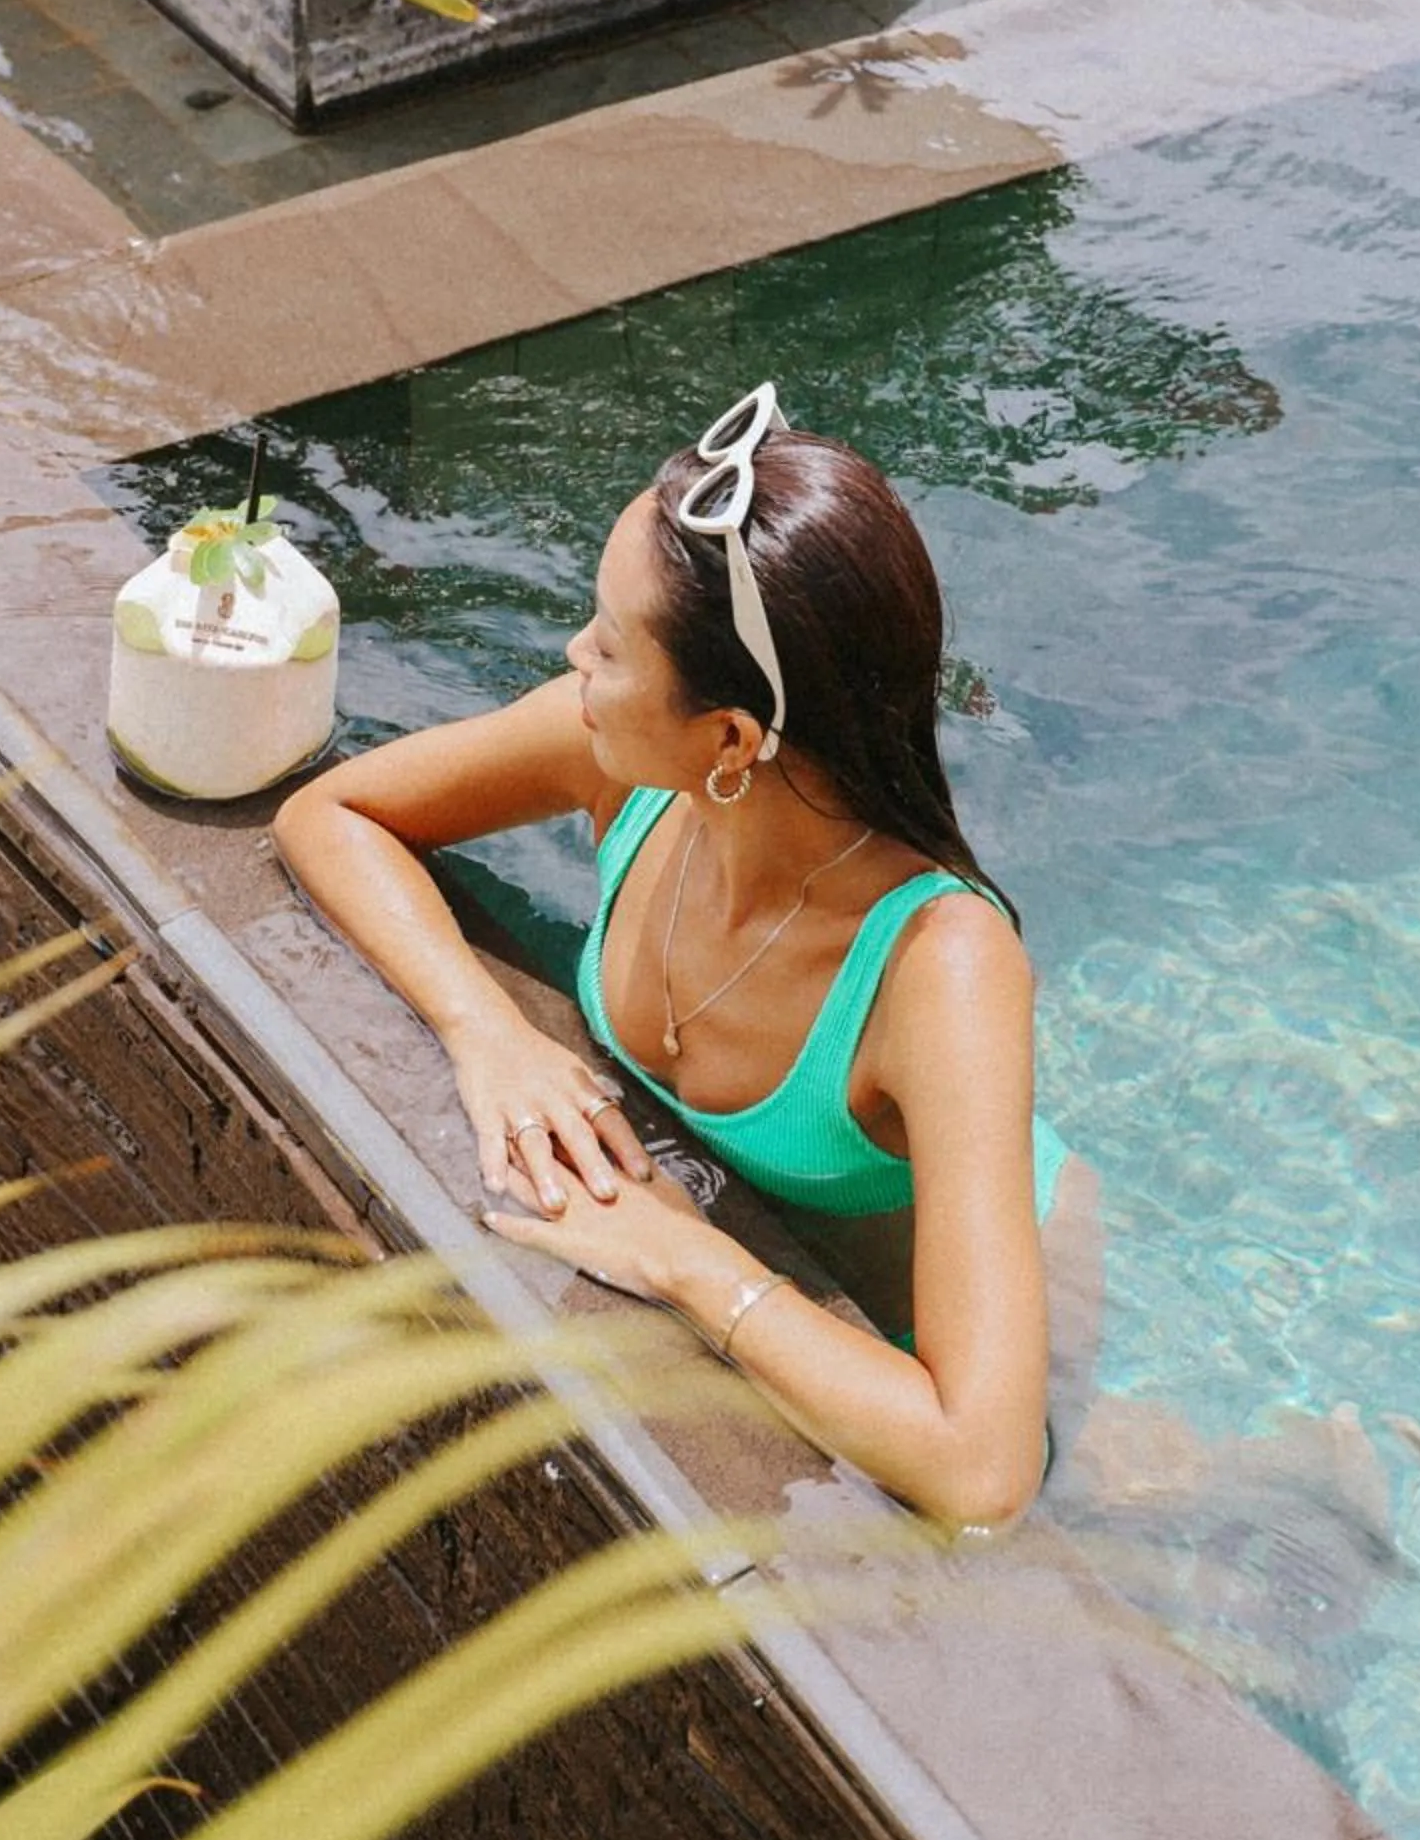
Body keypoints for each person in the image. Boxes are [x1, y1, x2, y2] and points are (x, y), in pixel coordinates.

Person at [274, 383, 1068, 1525]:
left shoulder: (941, 969)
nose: (573, 653)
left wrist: (687, 1260)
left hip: (945, 1296)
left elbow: (981, 1467)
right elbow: (331, 817)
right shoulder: (620, 755)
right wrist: (485, 1031)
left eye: (610, 640)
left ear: (732, 737)